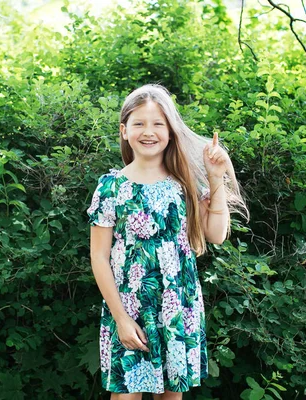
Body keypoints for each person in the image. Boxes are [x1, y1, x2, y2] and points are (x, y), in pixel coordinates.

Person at [87, 84, 248, 399]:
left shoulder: (183, 184)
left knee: (171, 395)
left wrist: (216, 178)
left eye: (158, 123)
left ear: (172, 132)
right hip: (128, 307)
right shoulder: (111, 187)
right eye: (139, 123)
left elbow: (216, 234)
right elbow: (98, 257)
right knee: (125, 394)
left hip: (177, 306)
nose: (149, 132)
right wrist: (120, 317)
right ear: (124, 130)